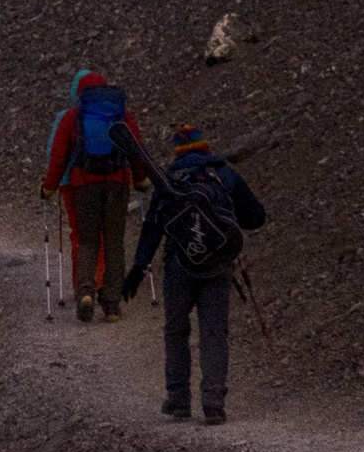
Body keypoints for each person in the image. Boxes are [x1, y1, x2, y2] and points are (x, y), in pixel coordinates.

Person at [124, 124, 266, 425]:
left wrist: (138, 268)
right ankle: (213, 404)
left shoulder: (170, 179)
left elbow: (153, 226)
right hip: (218, 265)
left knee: (176, 331)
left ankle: (178, 401)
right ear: (206, 147)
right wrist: (222, 225)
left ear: (178, 151)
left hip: (179, 263)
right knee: (214, 333)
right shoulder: (224, 174)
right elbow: (256, 217)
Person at [40, 70, 150, 322]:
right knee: (114, 242)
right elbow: (136, 149)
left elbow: (59, 156)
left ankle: (85, 293)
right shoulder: (122, 115)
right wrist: (139, 178)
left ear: (79, 92)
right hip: (117, 185)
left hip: (83, 185)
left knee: (87, 241)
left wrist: (49, 186)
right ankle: (111, 304)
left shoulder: (72, 117)